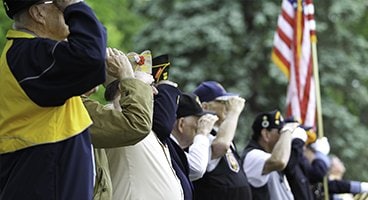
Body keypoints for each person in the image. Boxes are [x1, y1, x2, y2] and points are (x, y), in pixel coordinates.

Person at [0, 0, 106, 199]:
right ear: (38, 13)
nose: (68, 10)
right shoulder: (28, 56)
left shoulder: (26, 55)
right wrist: (75, 6)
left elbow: (91, 57)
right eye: (61, 3)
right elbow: (91, 57)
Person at [103, 53, 184, 200]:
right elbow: (123, 112)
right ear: (124, 87)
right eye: (147, 86)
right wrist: (128, 78)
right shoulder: (115, 115)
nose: (155, 91)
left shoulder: (139, 119)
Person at [82, 48, 154, 200]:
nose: (154, 91)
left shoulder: (80, 106)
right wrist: (128, 77)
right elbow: (136, 124)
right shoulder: (71, 106)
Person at [192, 81, 252, 200]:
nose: (228, 107)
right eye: (223, 102)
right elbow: (221, 146)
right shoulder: (201, 134)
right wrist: (234, 112)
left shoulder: (222, 132)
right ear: (205, 106)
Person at [167, 92, 219, 200]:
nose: (201, 127)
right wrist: (202, 133)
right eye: (199, 122)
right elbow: (197, 168)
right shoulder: (167, 147)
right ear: (181, 124)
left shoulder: (173, 148)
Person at [242, 110, 298, 200]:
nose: (284, 137)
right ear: (266, 134)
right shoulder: (253, 156)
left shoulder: (269, 155)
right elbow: (280, 161)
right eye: (280, 132)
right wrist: (287, 130)